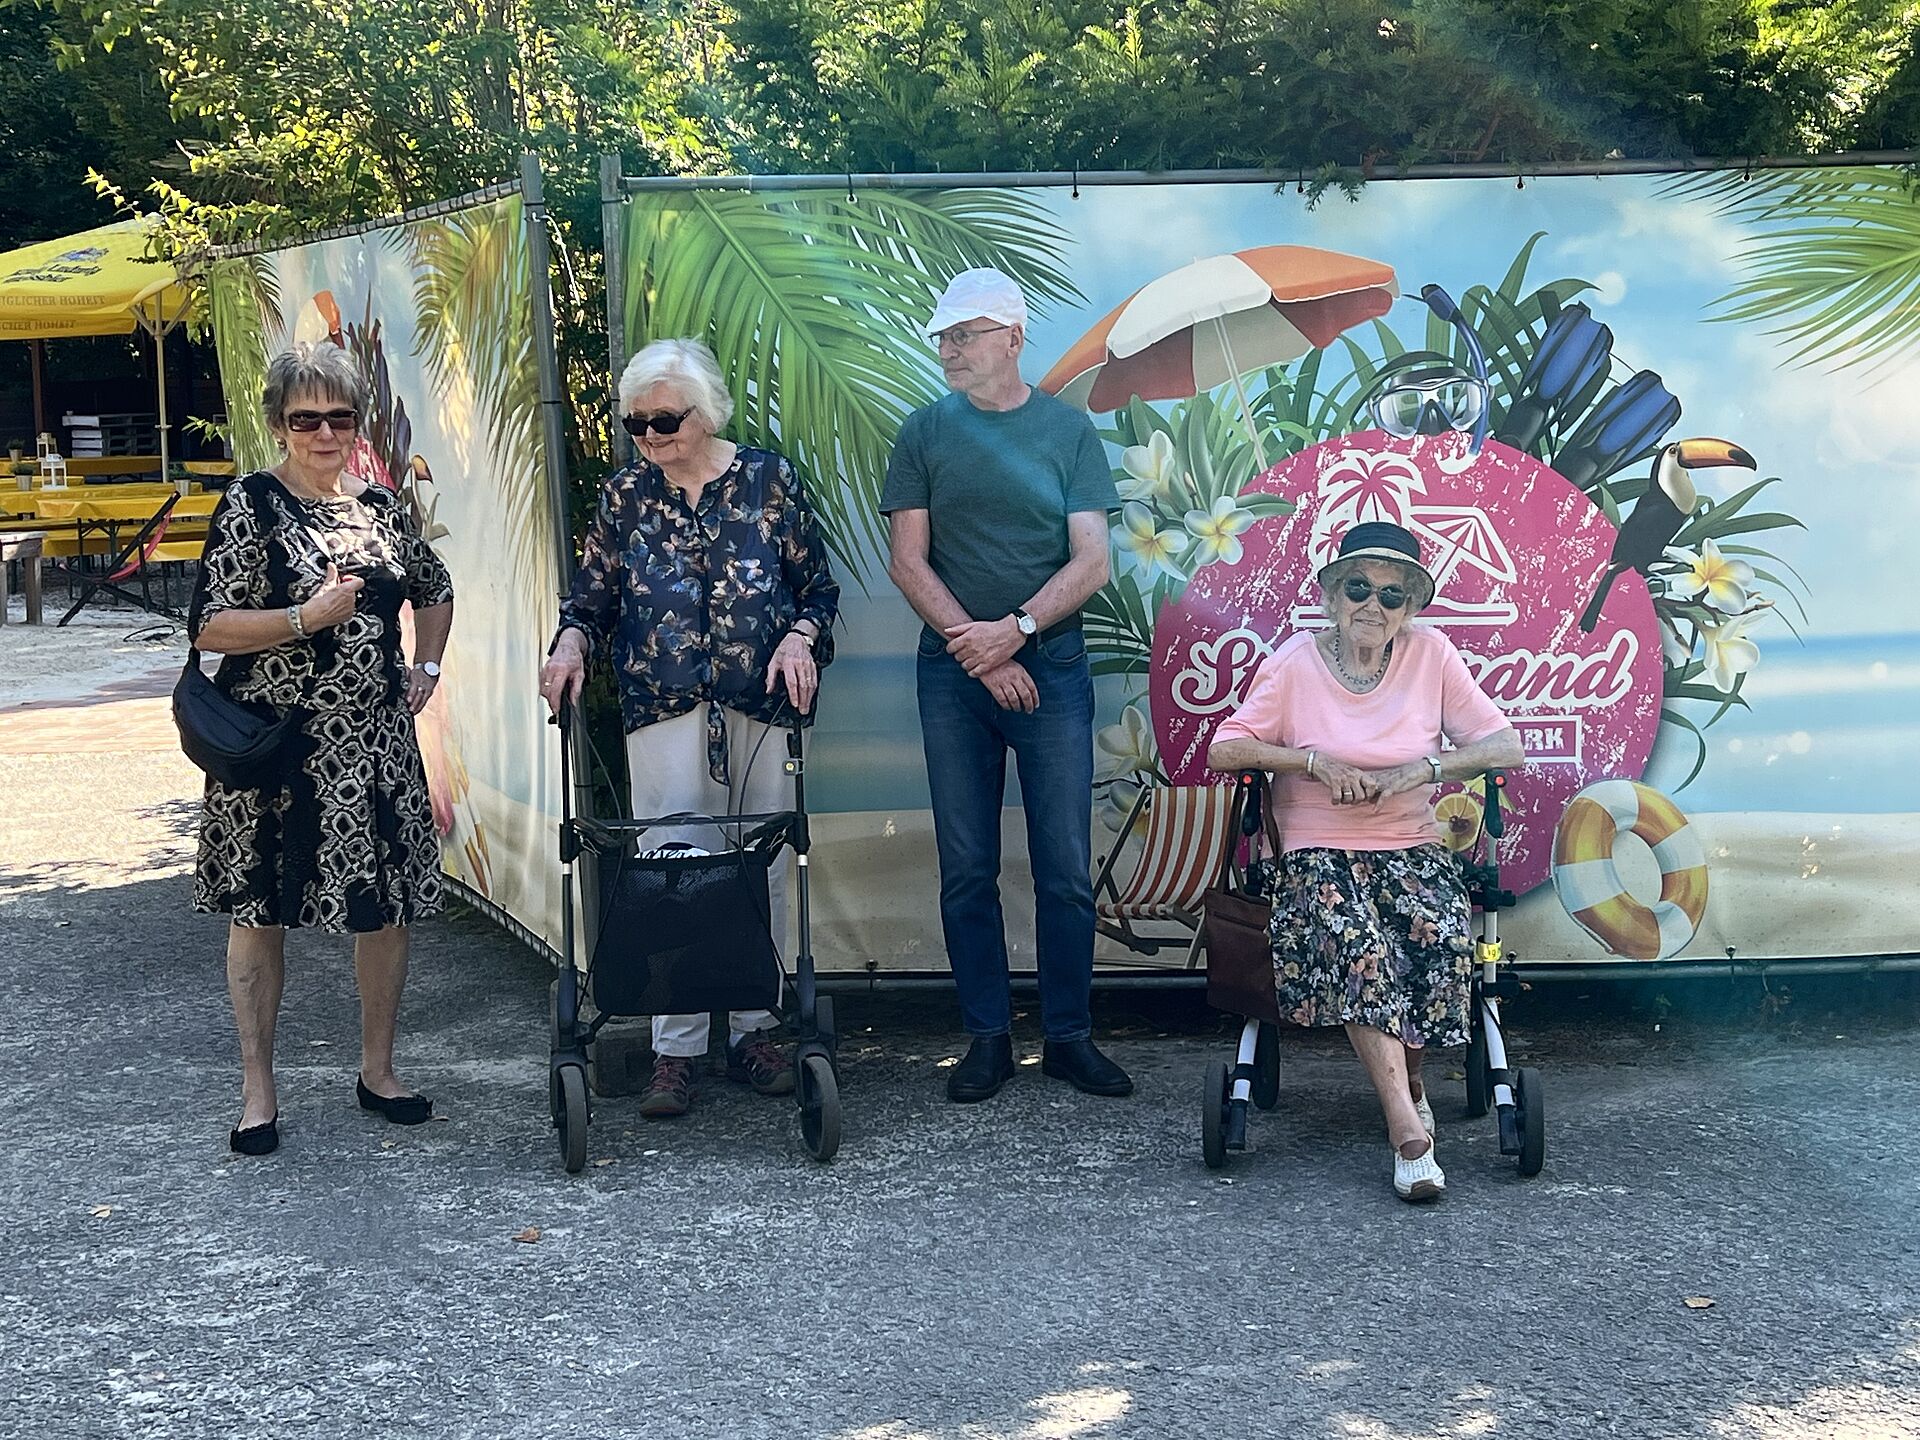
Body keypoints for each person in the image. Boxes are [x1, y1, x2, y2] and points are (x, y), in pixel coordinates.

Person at [539, 337, 838, 1119]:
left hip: (760, 703)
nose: (648, 437)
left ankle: (753, 1031)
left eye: (663, 421)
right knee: (671, 866)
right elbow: (591, 601)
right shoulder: (626, 495)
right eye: (635, 423)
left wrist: (802, 639)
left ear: (705, 416)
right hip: (662, 706)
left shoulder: (769, 482)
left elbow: (818, 590)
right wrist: (570, 642)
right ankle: (674, 1050)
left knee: (762, 862)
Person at [1207, 521, 1524, 1202]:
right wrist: (1311, 762)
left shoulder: (1431, 655)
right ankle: (1406, 1128)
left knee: (1436, 942)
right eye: (1359, 588)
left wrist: (1424, 769)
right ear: (1330, 594)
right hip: (1316, 850)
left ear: (1410, 607)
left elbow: (1505, 746)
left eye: (1393, 595)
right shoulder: (1295, 661)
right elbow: (1225, 748)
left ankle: (1409, 1080)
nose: (1373, 606)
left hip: (1409, 843)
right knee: (1360, 948)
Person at [191, 342, 456, 1157]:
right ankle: (257, 1091)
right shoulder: (250, 504)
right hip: (275, 746)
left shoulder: (379, 506)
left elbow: (435, 588)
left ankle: (378, 1071)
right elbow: (209, 625)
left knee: (384, 914)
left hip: (374, 744)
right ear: (279, 423)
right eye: (306, 418)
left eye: (339, 417)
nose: (324, 432)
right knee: (259, 910)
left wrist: (427, 666)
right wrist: (308, 617)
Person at [881, 267, 1132, 1103]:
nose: (949, 349)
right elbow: (907, 561)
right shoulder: (922, 433)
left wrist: (1014, 634)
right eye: (944, 337)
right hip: (955, 676)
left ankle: (1068, 1038)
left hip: (1051, 669)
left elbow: (1092, 559)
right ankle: (987, 1038)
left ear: (1014, 339)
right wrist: (979, 651)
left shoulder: (1067, 432)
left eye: (965, 334)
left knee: (1063, 864)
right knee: (967, 866)